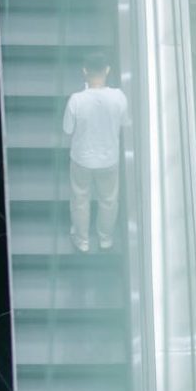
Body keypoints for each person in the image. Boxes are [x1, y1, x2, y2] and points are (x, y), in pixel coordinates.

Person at [63, 51, 129, 253]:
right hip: (109, 160)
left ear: (85, 71)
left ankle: (82, 240)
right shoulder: (119, 97)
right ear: (107, 70)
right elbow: (124, 123)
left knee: (80, 199)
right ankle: (105, 239)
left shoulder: (76, 100)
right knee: (109, 200)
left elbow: (67, 129)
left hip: (81, 159)